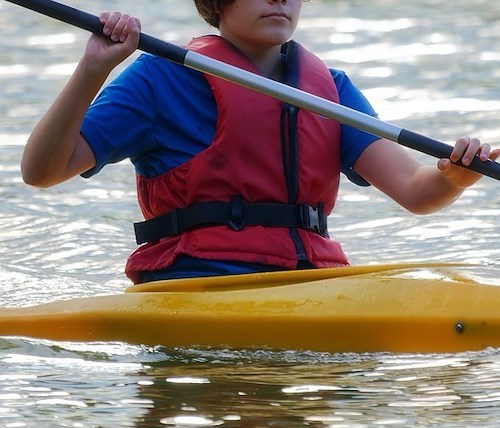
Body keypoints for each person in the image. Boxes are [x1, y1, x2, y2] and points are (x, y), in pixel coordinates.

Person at [20, 0, 497, 284]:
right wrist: (94, 67)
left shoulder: (329, 89)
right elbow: (42, 171)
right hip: (198, 280)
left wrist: (453, 177)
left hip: (309, 280)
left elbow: (416, 191)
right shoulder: (159, 78)